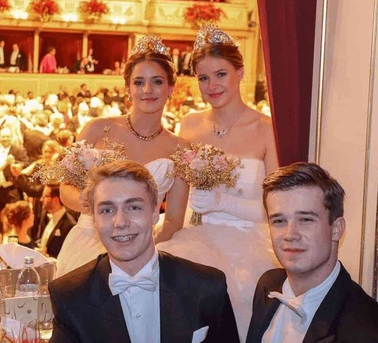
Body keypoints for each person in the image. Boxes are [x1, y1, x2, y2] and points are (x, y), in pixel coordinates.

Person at [157, 24, 279, 342]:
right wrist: (158, 238)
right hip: (195, 236)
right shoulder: (190, 124)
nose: (212, 85)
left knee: (236, 304)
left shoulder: (265, 129)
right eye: (203, 77)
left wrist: (223, 202)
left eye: (221, 74)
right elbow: (178, 202)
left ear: (239, 72)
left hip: (248, 244)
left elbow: (277, 208)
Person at [49, 160, 239, 343]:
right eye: (107, 210)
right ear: (94, 221)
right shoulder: (70, 296)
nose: (121, 222)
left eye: (133, 207)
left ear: (155, 212)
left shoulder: (207, 287)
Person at [56, 35, 189, 277]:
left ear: (170, 88)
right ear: (127, 88)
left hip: (146, 251)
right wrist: (85, 203)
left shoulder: (179, 149)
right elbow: (65, 191)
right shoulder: (96, 129)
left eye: (157, 82)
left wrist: (140, 251)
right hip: (88, 243)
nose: (147, 90)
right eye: (138, 82)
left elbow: (173, 221)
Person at [246, 162, 378, 343]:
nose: (290, 235)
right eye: (279, 221)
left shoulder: (367, 329)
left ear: (337, 229)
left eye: (306, 219)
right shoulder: (267, 285)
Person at [39, 183, 76, 258]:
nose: (41, 199)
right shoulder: (46, 217)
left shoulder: (69, 225)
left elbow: (66, 255)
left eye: (45, 196)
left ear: (55, 200)